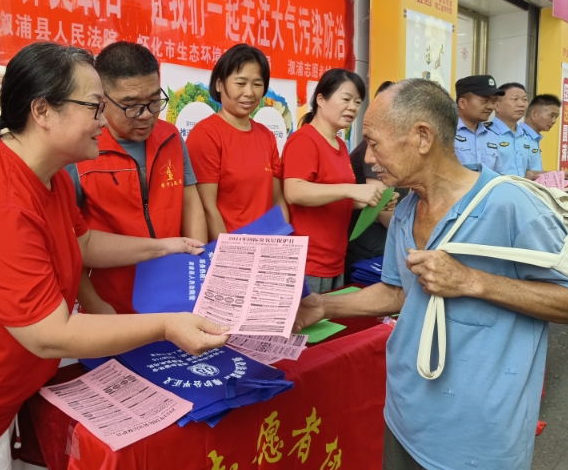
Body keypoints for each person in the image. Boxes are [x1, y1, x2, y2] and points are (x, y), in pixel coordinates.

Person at [0, 43, 229, 470]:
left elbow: (85, 243)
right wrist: (168, 326)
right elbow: (50, 333)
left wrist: (163, 247)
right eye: (95, 107)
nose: (104, 122)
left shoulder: (48, 175)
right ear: (42, 111)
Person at [293, 78, 568, 470]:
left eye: (374, 143)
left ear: (422, 137)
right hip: (405, 418)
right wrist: (323, 306)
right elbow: (397, 291)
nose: (368, 158)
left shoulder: (511, 204)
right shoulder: (406, 209)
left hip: (476, 443)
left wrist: (473, 281)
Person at [66, 42, 207, 314]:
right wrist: (95, 304)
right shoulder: (79, 152)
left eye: (154, 101)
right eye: (131, 106)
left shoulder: (170, 137)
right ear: (102, 98)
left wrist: (197, 267)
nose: (146, 116)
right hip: (112, 302)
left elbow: (190, 202)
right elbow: (69, 242)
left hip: (175, 294)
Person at [281, 69, 388, 294]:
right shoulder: (304, 140)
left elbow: (337, 199)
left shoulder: (340, 145)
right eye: (346, 99)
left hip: (336, 260)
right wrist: (351, 190)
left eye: (357, 102)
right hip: (309, 261)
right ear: (321, 99)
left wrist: (377, 201)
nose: (353, 108)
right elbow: (294, 191)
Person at [187, 44, 289, 241]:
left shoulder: (266, 135)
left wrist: (282, 241)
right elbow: (207, 208)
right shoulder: (206, 135)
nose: (249, 92)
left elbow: (277, 200)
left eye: (257, 84)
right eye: (240, 83)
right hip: (227, 249)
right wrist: (230, 253)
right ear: (219, 84)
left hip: (267, 247)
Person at [346, 80, 408, 280]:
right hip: (367, 252)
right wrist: (413, 236)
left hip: (384, 245)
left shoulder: (398, 146)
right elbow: (381, 207)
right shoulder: (373, 148)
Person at [454, 74, 503, 172]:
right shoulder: (446, 131)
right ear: (462, 103)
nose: (491, 107)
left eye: (493, 101)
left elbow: (498, 174)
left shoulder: (491, 136)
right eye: (484, 100)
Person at [490, 82, 531, 176]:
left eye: (525, 99)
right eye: (515, 99)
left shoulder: (525, 136)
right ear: (497, 106)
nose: (521, 104)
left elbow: (527, 171)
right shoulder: (486, 133)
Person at [520, 94, 564, 179]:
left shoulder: (534, 138)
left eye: (556, 117)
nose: (554, 121)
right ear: (534, 114)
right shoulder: (518, 137)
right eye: (551, 115)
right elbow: (520, 174)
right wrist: (556, 175)